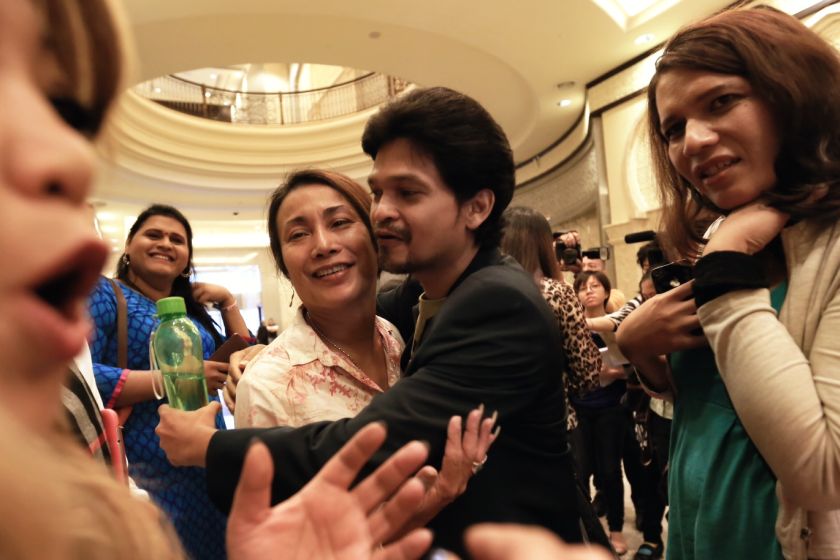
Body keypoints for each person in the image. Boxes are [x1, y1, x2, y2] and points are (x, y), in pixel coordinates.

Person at [157, 86, 591, 557]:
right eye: (379, 191)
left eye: (407, 193)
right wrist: (261, 349)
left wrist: (206, 446)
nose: (382, 211)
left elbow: (370, 442)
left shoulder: (495, 302)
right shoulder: (423, 295)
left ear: (477, 207)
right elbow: (351, 309)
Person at [617, 6, 840, 559]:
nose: (691, 141)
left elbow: (822, 472)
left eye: (721, 102)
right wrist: (641, 352)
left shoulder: (746, 247)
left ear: (795, 94)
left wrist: (725, 265)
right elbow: (714, 402)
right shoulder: (733, 235)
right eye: (673, 129)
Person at [88, 202, 250, 559]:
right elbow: (84, 377)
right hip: (148, 466)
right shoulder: (105, 295)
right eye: (153, 234)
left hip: (208, 455)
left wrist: (226, 302)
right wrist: (177, 379)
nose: (166, 243)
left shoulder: (188, 309)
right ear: (129, 246)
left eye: (177, 239)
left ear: (187, 257)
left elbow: (248, 360)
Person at [499, 206, 601, 433]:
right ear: (545, 246)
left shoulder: (481, 292)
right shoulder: (558, 293)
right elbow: (588, 372)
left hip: (497, 430)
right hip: (551, 424)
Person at [571, 271, 630, 554]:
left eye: (595, 286)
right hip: (580, 407)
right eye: (582, 288)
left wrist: (611, 372)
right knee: (579, 471)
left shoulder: (617, 324)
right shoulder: (572, 326)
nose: (589, 292)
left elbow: (633, 368)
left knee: (609, 471)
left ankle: (616, 531)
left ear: (606, 291)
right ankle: (586, 534)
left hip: (611, 407)